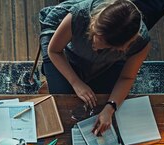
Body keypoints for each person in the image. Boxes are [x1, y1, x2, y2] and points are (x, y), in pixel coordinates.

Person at [39, 0, 151, 134]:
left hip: (106, 64)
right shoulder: (79, 14)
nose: (95, 46)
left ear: (122, 47)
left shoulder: (141, 42)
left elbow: (127, 77)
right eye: (94, 36)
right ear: (94, 22)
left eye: (105, 46)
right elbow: (54, 51)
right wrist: (76, 82)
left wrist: (110, 107)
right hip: (65, 54)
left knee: (99, 104)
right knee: (63, 103)